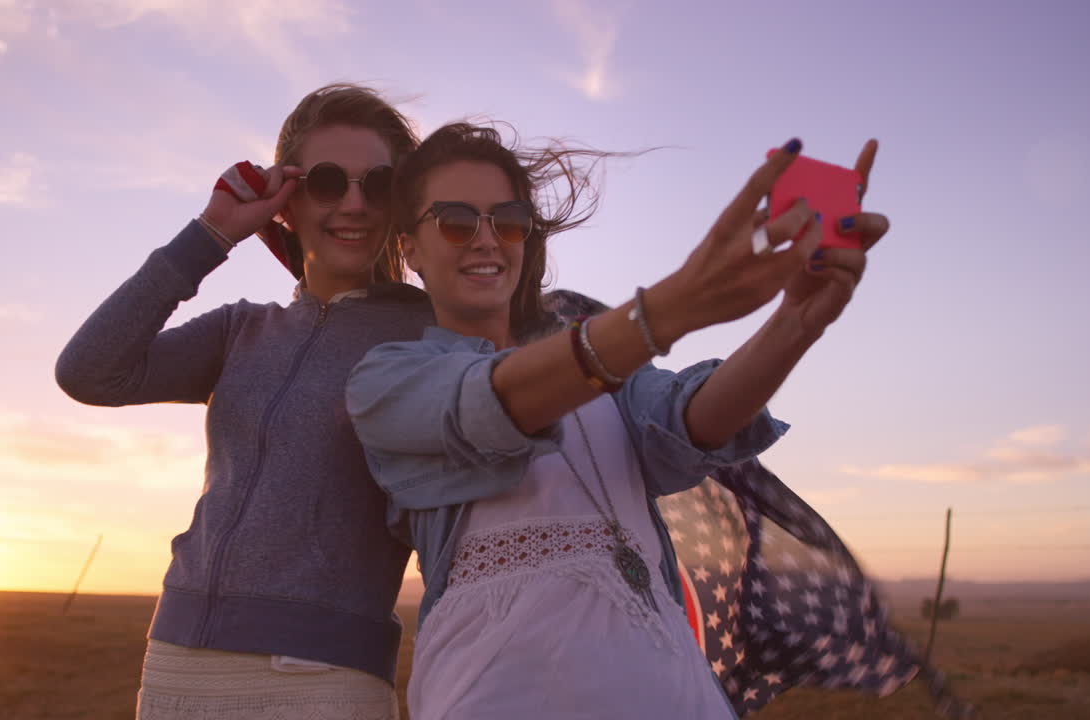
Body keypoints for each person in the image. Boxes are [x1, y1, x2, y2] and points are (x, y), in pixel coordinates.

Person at [345, 122, 888, 719]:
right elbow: (487, 403)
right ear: (409, 249)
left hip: (666, 688)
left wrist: (797, 322)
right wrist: (673, 304)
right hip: (495, 693)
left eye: (508, 221)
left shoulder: (610, 368)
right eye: (455, 221)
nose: (486, 241)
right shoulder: (386, 380)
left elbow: (693, 419)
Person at [55, 84, 433, 720]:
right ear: (285, 200)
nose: (354, 203)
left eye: (379, 184)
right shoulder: (240, 330)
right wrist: (211, 234)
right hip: (177, 664)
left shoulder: (431, 335)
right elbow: (90, 372)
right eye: (327, 181)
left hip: (326, 677)